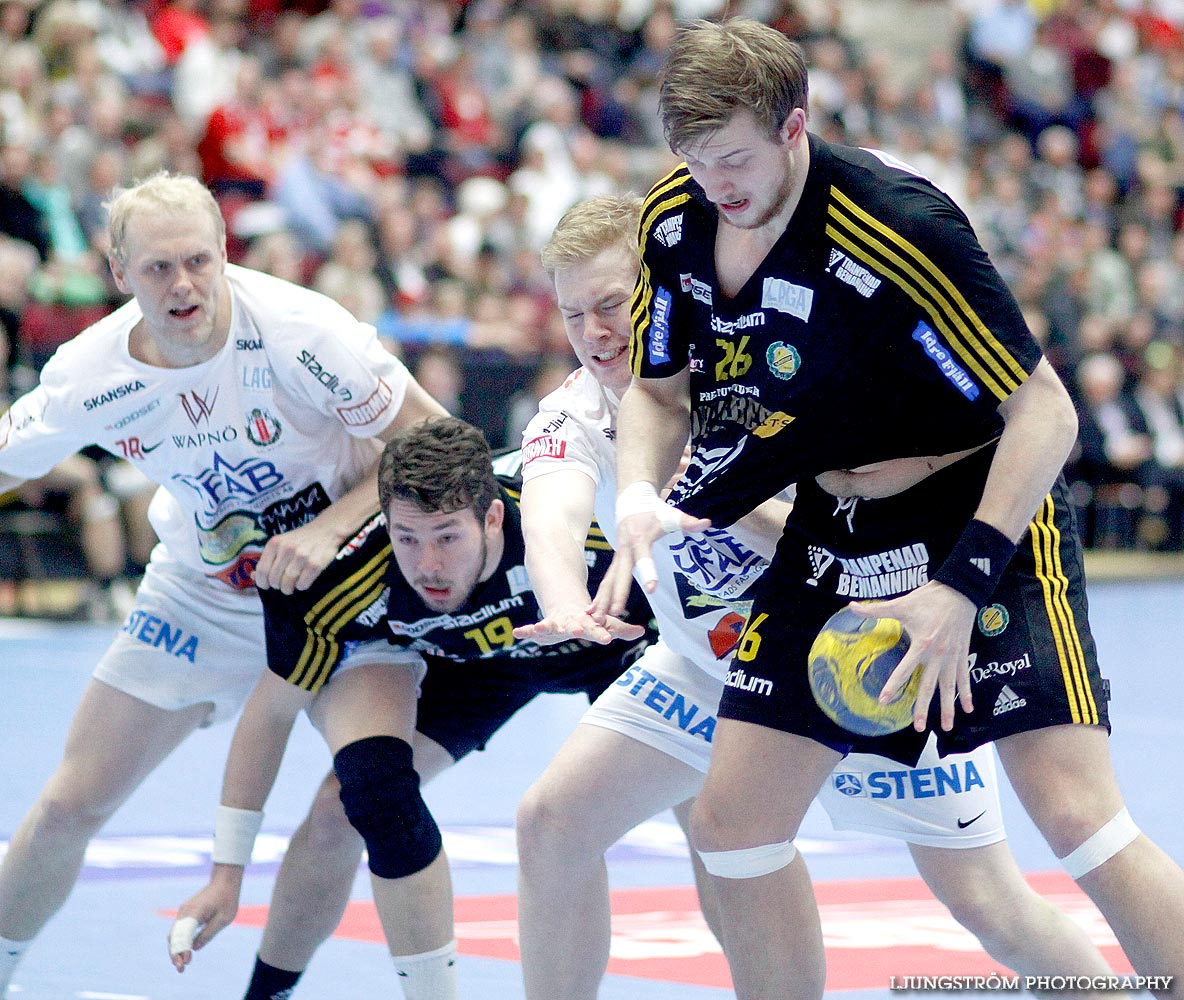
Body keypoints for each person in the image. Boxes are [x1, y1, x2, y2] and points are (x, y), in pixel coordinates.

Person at [599, 20, 1184, 999]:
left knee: (1078, 819)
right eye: (694, 163)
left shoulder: (897, 222)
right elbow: (657, 395)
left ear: (794, 127)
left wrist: (958, 584)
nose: (715, 186)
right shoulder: (674, 221)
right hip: (832, 525)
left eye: (734, 160)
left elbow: (1043, 412)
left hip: (973, 506)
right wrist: (631, 491)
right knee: (730, 827)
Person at [513, 194, 1121, 999]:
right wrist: (562, 600)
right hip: (706, 672)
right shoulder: (577, 411)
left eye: (611, 304)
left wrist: (714, 500)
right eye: (572, 314)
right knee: (554, 822)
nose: (594, 333)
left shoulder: (774, 367)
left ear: (663, 287)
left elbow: (844, 527)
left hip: (855, 659)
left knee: (985, 900)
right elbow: (550, 505)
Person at [0, 170, 445, 996]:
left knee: (367, 802)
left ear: (224, 251)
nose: (184, 285)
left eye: (199, 261)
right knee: (70, 805)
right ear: (118, 270)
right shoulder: (87, 373)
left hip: (341, 590)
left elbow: (432, 437)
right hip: (201, 595)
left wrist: (323, 530)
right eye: (159, 268)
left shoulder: (304, 330)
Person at [169, 416, 656, 1000]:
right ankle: (266, 994)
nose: (426, 564)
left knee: (702, 812)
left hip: (605, 648)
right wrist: (227, 874)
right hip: (473, 667)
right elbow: (270, 714)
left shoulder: (583, 522)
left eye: (448, 537)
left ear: (494, 517)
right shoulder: (348, 573)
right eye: (408, 538)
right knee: (347, 805)